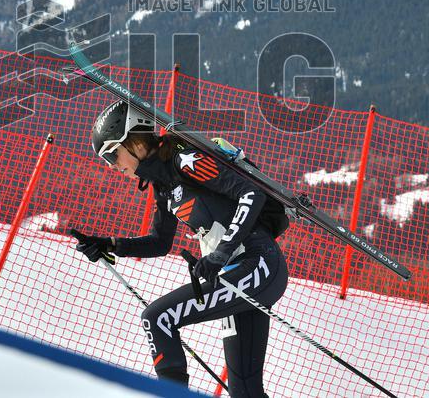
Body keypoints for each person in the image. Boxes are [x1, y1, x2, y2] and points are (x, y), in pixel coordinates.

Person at [72, 100, 289, 397]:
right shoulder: (163, 184)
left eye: (112, 154)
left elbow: (250, 194)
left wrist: (221, 252)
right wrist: (109, 245)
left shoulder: (184, 160)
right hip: (237, 271)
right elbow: (160, 242)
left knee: (158, 318)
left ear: (135, 141)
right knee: (246, 393)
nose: (113, 166)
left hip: (258, 263)